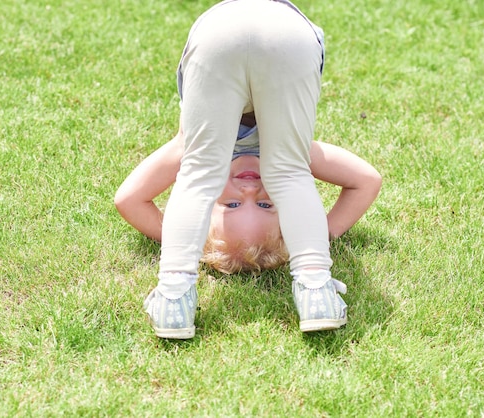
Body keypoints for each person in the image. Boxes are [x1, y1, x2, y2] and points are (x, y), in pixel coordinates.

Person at [114, 0, 381, 339]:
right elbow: (367, 180)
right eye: (268, 205)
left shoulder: (190, 151)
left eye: (233, 205)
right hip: (285, 33)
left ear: (201, 217)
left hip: (222, 33)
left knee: (199, 176)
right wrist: (315, 237)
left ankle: (174, 292)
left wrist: (184, 244)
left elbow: (127, 199)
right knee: (289, 173)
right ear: (293, 218)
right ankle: (315, 283)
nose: (251, 191)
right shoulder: (299, 155)